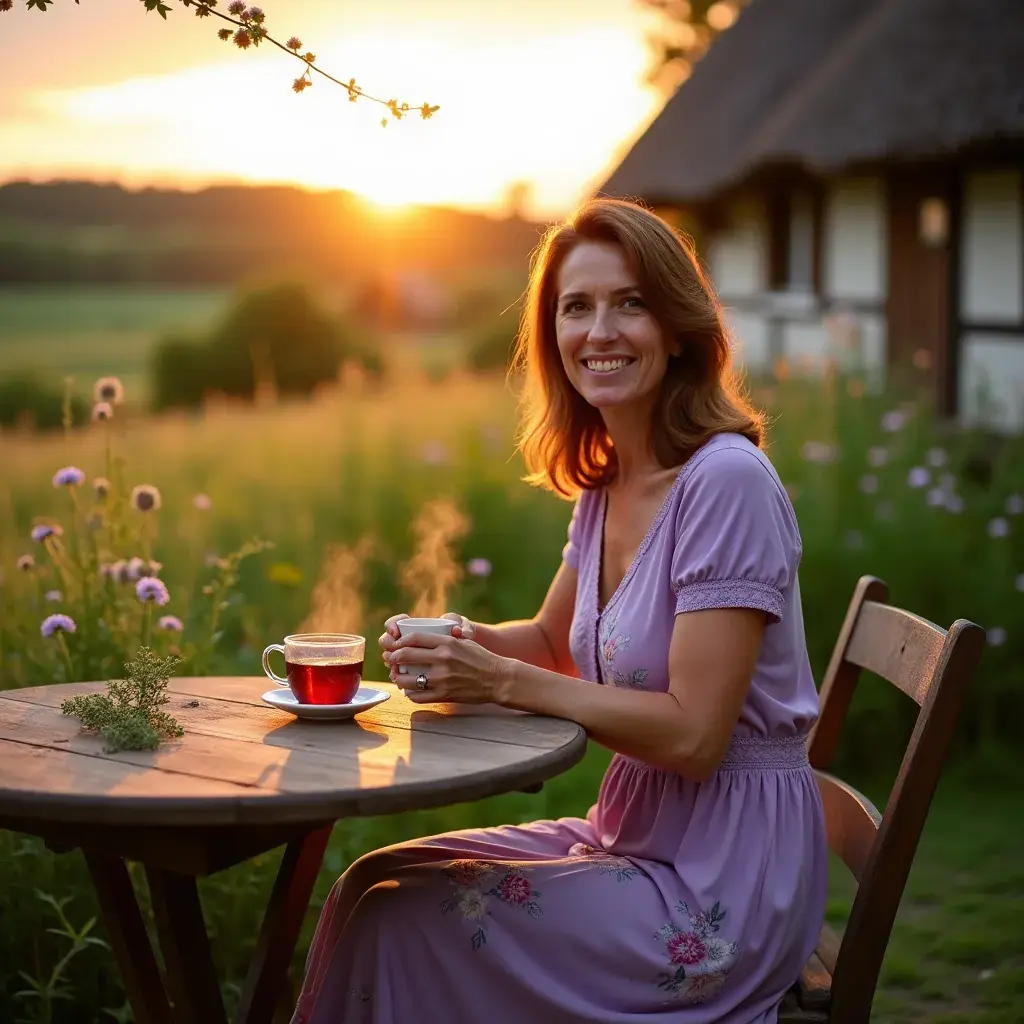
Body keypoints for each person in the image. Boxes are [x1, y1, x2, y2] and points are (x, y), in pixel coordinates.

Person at [291, 198, 828, 1023]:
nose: (599, 330)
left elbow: (693, 737)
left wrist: (501, 679)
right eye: (576, 307)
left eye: (631, 302)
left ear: (680, 327)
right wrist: (457, 646)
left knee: (406, 919)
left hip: (720, 885)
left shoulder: (726, 484)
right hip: (636, 838)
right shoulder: (608, 483)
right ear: (552, 339)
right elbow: (550, 642)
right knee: (368, 884)